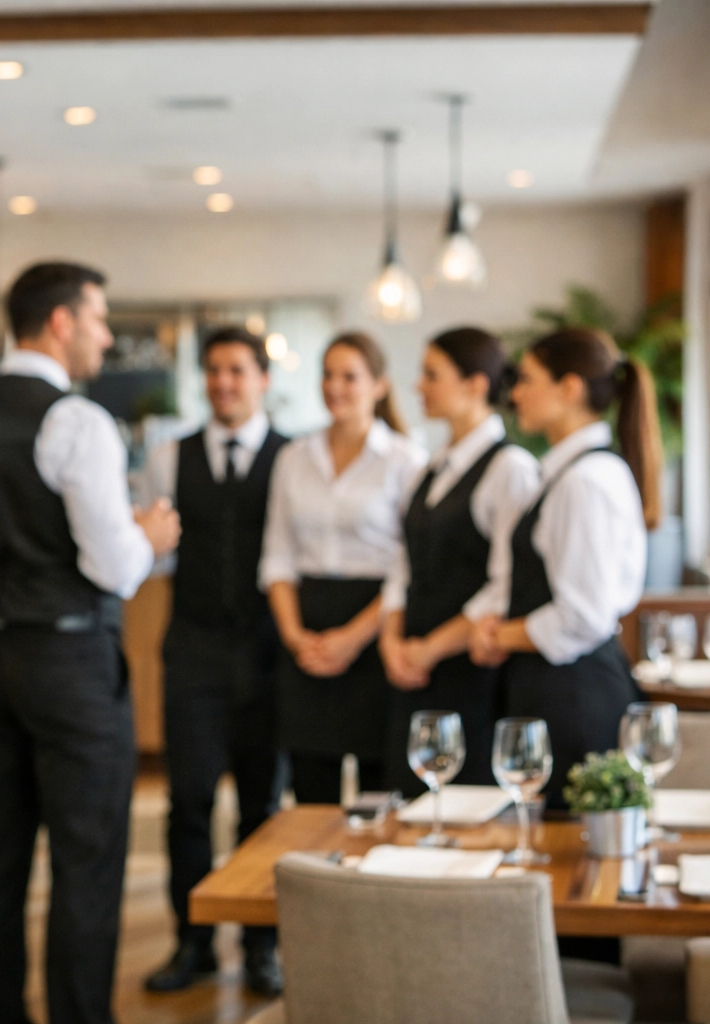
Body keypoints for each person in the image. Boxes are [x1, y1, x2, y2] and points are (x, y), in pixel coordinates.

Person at [0, 262, 181, 1024]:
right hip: (70, 663)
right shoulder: (77, 421)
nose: (103, 335)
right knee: (86, 858)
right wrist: (149, 533)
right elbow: (116, 567)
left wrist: (6, 565)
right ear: (60, 322)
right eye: (98, 319)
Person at [138, 326, 287, 997]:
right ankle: (191, 941)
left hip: (268, 655)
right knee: (189, 803)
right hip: (193, 651)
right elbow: (157, 553)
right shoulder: (171, 457)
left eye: (236, 370)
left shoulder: (293, 459)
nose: (223, 382)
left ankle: (263, 945)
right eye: (213, 371)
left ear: (263, 379)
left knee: (263, 808)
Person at [471, 326, 658, 807]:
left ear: (569, 388)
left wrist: (499, 636)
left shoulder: (585, 481)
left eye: (528, 379)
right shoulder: (568, 474)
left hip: (576, 698)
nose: (515, 395)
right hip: (555, 690)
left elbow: (583, 616)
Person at [260, 331, 427, 804]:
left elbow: (408, 567)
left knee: (380, 779)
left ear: (379, 385)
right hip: (305, 625)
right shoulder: (294, 457)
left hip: (376, 624)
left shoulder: (405, 461)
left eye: (349, 376)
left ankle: (373, 878)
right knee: (310, 784)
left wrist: (353, 637)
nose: (335, 386)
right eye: (327, 374)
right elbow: (277, 556)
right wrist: (296, 638)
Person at [379, 328, 541, 794]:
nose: (418, 387)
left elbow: (508, 584)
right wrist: (393, 639)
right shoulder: (430, 468)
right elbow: (402, 563)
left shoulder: (509, 468)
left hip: (471, 670)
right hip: (411, 668)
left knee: (468, 816)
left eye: (432, 375)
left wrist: (431, 647)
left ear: (475, 385)